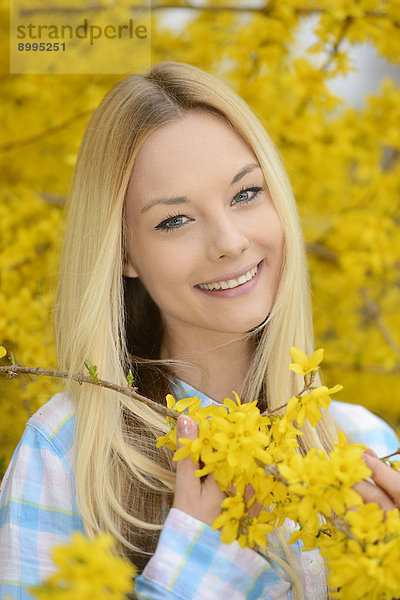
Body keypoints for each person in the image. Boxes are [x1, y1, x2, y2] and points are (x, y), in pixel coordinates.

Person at [0, 60, 399, 600]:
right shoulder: (69, 454)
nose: (229, 242)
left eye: (245, 194)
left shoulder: (367, 444)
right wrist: (199, 566)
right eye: (174, 221)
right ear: (123, 253)